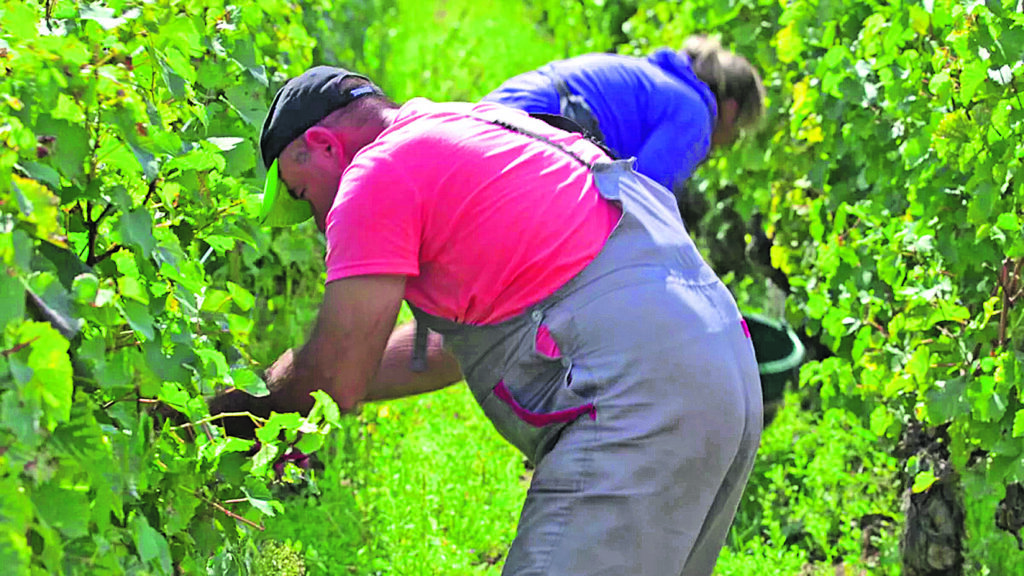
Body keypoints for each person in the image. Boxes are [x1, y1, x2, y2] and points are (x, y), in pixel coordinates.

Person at [210, 65, 763, 575]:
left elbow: (336, 381)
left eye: (302, 195)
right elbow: (442, 351)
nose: (316, 222)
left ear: (324, 145)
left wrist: (226, 411)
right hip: (716, 370)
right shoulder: (477, 127)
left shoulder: (376, 174)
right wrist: (310, 371)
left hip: (642, 395)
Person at [482, 35, 765, 194]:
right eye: (737, 132)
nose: (727, 143)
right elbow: (641, 198)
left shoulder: (657, 78)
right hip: (535, 131)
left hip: (511, 103)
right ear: (731, 110)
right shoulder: (695, 117)